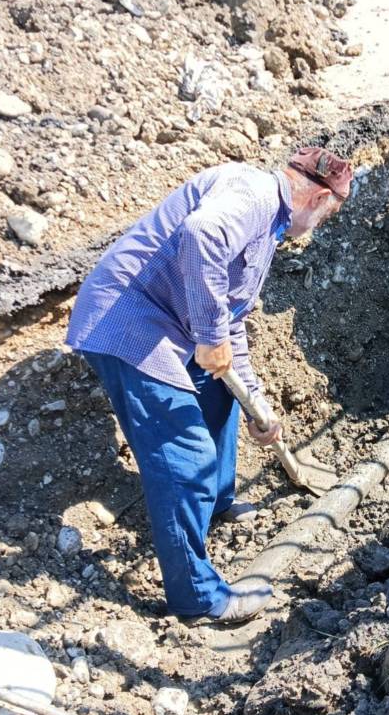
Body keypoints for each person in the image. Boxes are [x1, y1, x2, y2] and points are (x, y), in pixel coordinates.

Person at [66, 148, 352, 624]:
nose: (321, 225)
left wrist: (259, 403)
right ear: (321, 198)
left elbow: (231, 320)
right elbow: (201, 235)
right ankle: (197, 599)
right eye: (329, 215)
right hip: (128, 321)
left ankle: (216, 504)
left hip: (172, 325)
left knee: (223, 398)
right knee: (186, 459)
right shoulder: (256, 194)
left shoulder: (269, 228)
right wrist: (211, 336)